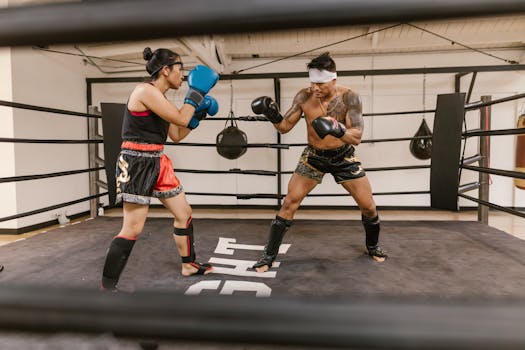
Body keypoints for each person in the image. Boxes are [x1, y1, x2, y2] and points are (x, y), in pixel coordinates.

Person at [251, 52, 387, 273]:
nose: (315, 88)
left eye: (321, 84)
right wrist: (271, 114)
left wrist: (336, 128)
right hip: (314, 156)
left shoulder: (350, 97)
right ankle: (268, 256)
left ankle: (373, 246)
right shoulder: (304, 97)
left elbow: (357, 137)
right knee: (289, 203)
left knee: (368, 206)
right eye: (312, 82)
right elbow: (284, 127)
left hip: (343, 156)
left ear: (334, 79)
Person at [101, 47, 220, 291]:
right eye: (180, 70)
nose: (183, 76)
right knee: (133, 227)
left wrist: (198, 117)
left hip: (157, 160)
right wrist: (196, 95)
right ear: (165, 70)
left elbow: (177, 133)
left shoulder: (162, 100)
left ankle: (188, 265)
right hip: (136, 161)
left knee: (183, 212)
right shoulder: (145, 91)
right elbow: (180, 119)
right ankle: (107, 288)